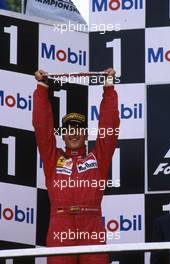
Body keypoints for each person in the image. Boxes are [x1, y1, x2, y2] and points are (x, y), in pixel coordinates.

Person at [33, 68, 120, 264]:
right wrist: (41, 89)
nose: (73, 134)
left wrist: (108, 88)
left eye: (78, 129)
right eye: (68, 130)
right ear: (62, 135)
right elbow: (42, 128)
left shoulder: (98, 158)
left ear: (85, 134)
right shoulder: (53, 159)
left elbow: (110, 127)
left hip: (92, 225)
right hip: (60, 225)